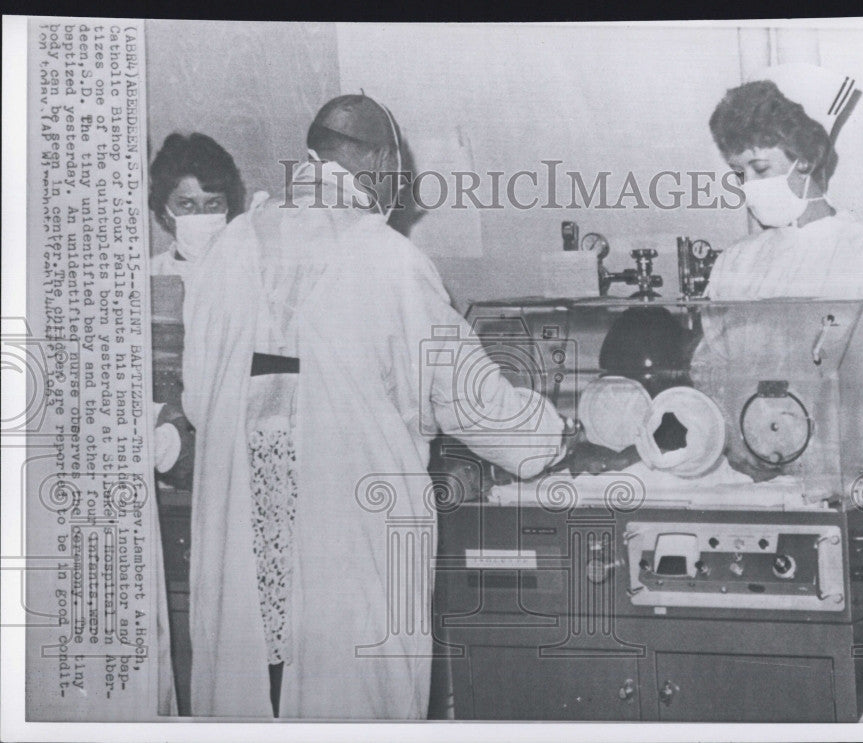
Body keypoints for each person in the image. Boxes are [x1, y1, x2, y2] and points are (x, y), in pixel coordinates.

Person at [180, 94, 596, 719]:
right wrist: (558, 436)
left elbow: (196, 395)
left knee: (250, 697)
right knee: (349, 698)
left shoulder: (229, 249)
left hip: (241, 542)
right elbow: (476, 404)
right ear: (377, 159)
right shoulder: (389, 260)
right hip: (348, 548)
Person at [705, 63, 863, 436]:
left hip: (850, 476)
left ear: (806, 159)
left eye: (760, 168)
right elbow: (717, 384)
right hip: (758, 475)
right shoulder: (735, 263)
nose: (747, 186)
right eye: (738, 173)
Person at [148, 132, 247, 280]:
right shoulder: (149, 274)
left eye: (213, 203)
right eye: (186, 204)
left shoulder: (247, 273)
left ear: (228, 207)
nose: (201, 214)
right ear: (164, 212)